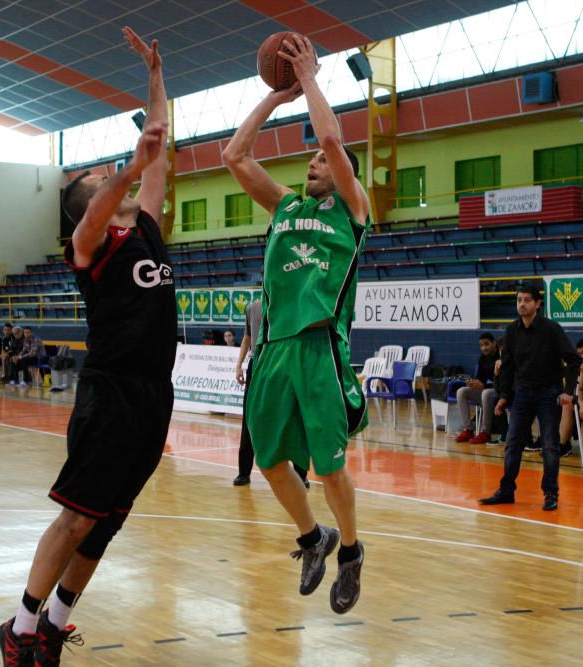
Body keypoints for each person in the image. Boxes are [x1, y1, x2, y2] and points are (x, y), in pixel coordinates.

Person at [0, 26, 175, 667]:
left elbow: (156, 157)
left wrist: (155, 80)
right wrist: (126, 165)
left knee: (108, 519)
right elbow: (114, 192)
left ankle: (56, 625)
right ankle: (18, 627)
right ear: (87, 204)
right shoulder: (91, 245)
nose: (118, 182)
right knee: (75, 517)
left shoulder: (147, 230)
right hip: (111, 390)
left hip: (156, 394)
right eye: (102, 180)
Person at [223, 33, 369, 615]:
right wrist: (274, 100)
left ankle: (353, 552)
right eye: (309, 161)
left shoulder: (354, 213)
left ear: (341, 175)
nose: (313, 163)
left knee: (329, 469)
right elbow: (234, 156)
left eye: (321, 163)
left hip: (319, 350)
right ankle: (314, 539)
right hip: (274, 351)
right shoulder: (286, 206)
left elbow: (331, 136)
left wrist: (309, 79)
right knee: (268, 461)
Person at [479, 285, 579, 511]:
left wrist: (568, 391)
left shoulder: (551, 329)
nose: (522, 304)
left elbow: (573, 360)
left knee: (549, 445)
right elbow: (507, 366)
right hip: (523, 391)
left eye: (526, 300)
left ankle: (551, 493)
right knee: (513, 442)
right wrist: (504, 395)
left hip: (548, 391)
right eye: (519, 300)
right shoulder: (512, 331)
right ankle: (506, 490)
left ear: (537, 304)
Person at [233, 299, 309, 488]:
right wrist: (238, 366)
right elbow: (247, 338)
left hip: (285, 363)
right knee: (250, 418)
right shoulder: (252, 307)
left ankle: (301, 474)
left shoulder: (293, 303)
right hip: (257, 364)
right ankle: (244, 472)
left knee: (295, 417)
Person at [454, 333, 500, 445]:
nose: (484, 347)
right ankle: (468, 429)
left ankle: (485, 432)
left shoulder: (501, 356)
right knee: (461, 391)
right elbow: (481, 380)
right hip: (487, 391)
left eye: (486, 344)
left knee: (486, 393)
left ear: (494, 343)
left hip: (500, 392)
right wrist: (474, 383)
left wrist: (483, 386)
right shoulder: (482, 359)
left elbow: (503, 383)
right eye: (481, 345)